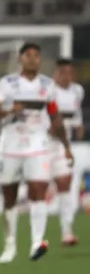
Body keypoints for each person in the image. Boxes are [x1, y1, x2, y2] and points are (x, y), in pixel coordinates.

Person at [0, 43, 73, 263]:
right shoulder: (8, 84)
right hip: (10, 145)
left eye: (36, 56)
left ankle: (36, 243)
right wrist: (8, 110)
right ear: (20, 59)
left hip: (38, 145)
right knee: (10, 196)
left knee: (38, 189)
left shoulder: (47, 85)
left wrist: (66, 146)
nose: (33, 59)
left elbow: (55, 117)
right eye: (28, 55)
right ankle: (10, 244)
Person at [50, 58, 84, 246]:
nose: (68, 77)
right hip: (42, 145)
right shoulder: (48, 91)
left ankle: (67, 232)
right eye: (64, 73)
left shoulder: (77, 90)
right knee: (36, 188)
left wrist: (78, 125)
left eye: (71, 73)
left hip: (63, 145)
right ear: (57, 73)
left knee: (65, 184)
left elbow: (76, 111)